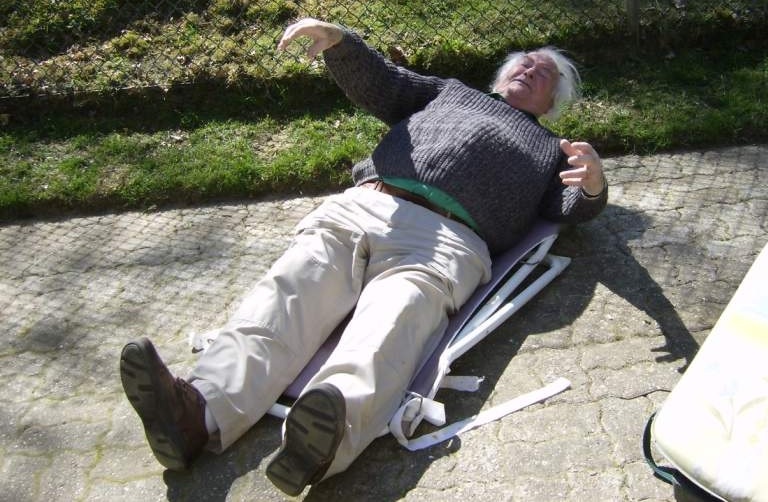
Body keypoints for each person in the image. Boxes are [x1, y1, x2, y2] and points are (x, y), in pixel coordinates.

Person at [119, 17, 608, 496]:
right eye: (524, 63)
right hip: (366, 204)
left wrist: (592, 186)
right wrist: (339, 41)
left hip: (446, 241)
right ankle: (196, 415)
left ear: (553, 102)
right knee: (289, 292)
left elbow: (567, 207)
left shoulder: (551, 149)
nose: (530, 71)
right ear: (501, 76)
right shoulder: (450, 92)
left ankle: (322, 443)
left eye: (545, 74)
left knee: (392, 323)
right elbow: (386, 83)